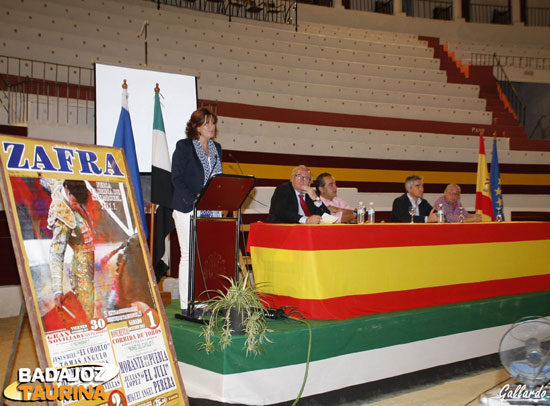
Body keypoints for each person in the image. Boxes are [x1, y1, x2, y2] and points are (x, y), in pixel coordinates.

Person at [171, 107, 222, 314]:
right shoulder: (184, 147)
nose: (212, 127)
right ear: (196, 126)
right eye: (207, 123)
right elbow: (176, 178)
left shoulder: (216, 147)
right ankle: (186, 304)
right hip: (187, 207)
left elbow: (217, 180)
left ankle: (202, 301)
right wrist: (194, 199)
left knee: (205, 256)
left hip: (210, 210)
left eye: (213, 122)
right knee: (189, 255)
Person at [46, 179, 95, 319]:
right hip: (81, 264)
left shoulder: (66, 186)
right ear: (67, 189)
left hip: (87, 261)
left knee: (88, 299)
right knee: (86, 305)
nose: (78, 205)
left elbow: (51, 181)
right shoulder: (61, 214)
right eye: (75, 200)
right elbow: (56, 254)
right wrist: (57, 290)